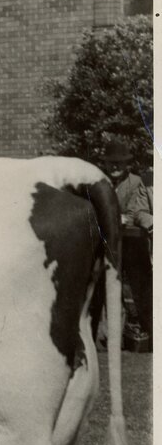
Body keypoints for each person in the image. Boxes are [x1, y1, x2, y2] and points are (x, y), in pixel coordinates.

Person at [102, 138, 152, 350]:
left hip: (133, 246)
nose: (115, 166)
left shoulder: (136, 182)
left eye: (119, 163)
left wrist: (116, 218)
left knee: (141, 290)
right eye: (111, 162)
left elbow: (133, 214)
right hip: (107, 247)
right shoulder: (99, 181)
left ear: (127, 164)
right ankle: (108, 339)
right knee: (109, 290)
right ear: (104, 163)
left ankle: (150, 332)